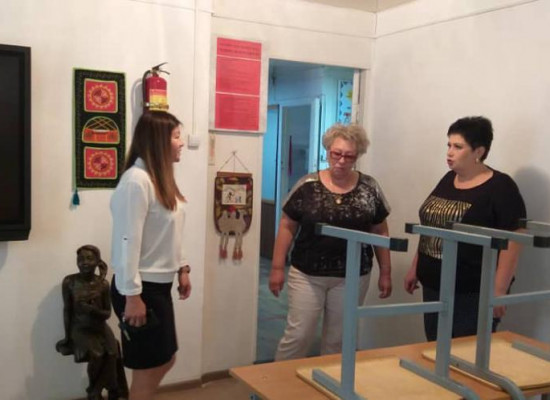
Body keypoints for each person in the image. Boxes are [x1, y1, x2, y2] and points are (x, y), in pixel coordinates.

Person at [269, 123, 393, 361]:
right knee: (298, 335)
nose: (341, 161)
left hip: (353, 276)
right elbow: (287, 225)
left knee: (339, 339)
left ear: (357, 156)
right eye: (337, 154)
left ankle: (332, 381)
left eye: (349, 156)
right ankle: (276, 382)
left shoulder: (369, 188)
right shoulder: (307, 185)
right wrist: (276, 267)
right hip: (307, 274)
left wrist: (385, 272)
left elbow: (379, 229)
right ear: (327, 151)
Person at [404, 116, 526, 341]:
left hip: (472, 290)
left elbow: (514, 239)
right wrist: (416, 266)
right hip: (434, 284)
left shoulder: (500, 186)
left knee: (466, 352)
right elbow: (431, 226)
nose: (449, 152)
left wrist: (499, 290)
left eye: (458, 147)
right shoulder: (449, 179)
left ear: (479, 151)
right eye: (449, 145)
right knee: (435, 348)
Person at [110, 111, 191, 400]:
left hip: (158, 286)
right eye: (177, 136)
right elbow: (127, 241)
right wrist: (132, 296)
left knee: (163, 360)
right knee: (150, 367)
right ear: (158, 140)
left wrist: (182, 268)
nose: (182, 142)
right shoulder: (136, 181)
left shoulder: (159, 178)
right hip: (140, 289)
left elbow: (170, 230)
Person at [56, 245, 128, 400]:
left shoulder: (103, 284)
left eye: (89, 258)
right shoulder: (69, 282)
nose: (84, 262)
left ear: (97, 262)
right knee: (97, 354)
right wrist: (67, 337)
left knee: (113, 352)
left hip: (100, 326)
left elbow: (107, 314)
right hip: (80, 328)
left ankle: (94, 390)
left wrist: (91, 310)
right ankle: (103, 390)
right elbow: (67, 310)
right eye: (80, 259)